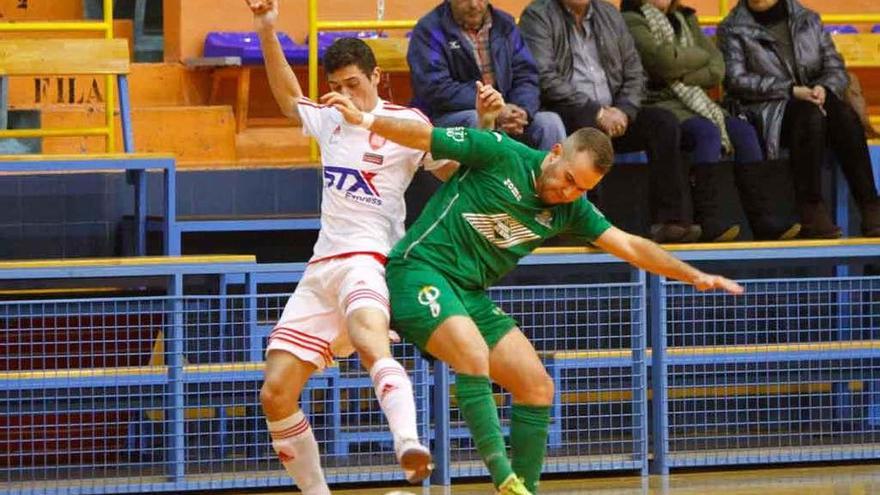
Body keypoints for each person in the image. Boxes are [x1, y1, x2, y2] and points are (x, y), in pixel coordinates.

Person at [319, 86, 744, 494]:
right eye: (569, 180)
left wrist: (692, 274)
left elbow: (630, 244)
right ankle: (506, 480)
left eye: (582, 189)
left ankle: (526, 489)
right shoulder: (502, 153)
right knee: (472, 354)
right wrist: (367, 119)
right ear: (555, 152)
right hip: (419, 271)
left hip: (470, 295)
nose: (569, 192)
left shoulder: (570, 209)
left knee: (537, 386)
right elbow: (426, 135)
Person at [242, 0, 477, 492]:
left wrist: (489, 125)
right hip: (321, 265)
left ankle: (408, 442)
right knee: (275, 393)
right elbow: (288, 97)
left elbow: (461, 172)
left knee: (370, 341)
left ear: (376, 79)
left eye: (354, 83)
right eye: (336, 86)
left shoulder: (406, 125)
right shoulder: (329, 119)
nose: (344, 94)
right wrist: (267, 28)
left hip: (371, 259)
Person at [519, 0, 700, 244]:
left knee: (663, 123)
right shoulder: (538, 15)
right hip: (569, 109)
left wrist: (624, 110)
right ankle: (591, 226)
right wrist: (596, 112)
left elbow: (635, 71)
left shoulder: (609, 14)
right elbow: (545, 76)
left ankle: (671, 222)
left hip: (616, 111)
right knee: (588, 130)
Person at [620, 0, 801, 241]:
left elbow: (717, 67)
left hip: (698, 103)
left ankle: (763, 220)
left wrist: (681, 68)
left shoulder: (686, 17)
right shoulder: (632, 19)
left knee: (744, 133)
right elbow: (663, 63)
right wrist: (699, 57)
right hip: (660, 104)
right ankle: (708, 220)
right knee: (705, 133)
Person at [717, 0, 880, 238]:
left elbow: (834, 67)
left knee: (844, 115)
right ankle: (811, 208)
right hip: (764, 109)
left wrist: (824, 88)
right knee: (808, 115)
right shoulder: (732, 27)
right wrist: (791, 90)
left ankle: (870, 205)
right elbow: (737, 81)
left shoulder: (808, 19)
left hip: (813, 98)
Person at [407, 0, 567, 151]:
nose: (474, 5)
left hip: (507, 111)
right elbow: (435, 88)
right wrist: (494, 110)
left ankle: (552, 180)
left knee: (550, 123)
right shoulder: (429, 30)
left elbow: (526, 74)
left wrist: (522, 110)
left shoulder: (506, 25)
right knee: (475, 121)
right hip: (450, 116)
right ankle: (488, 181)